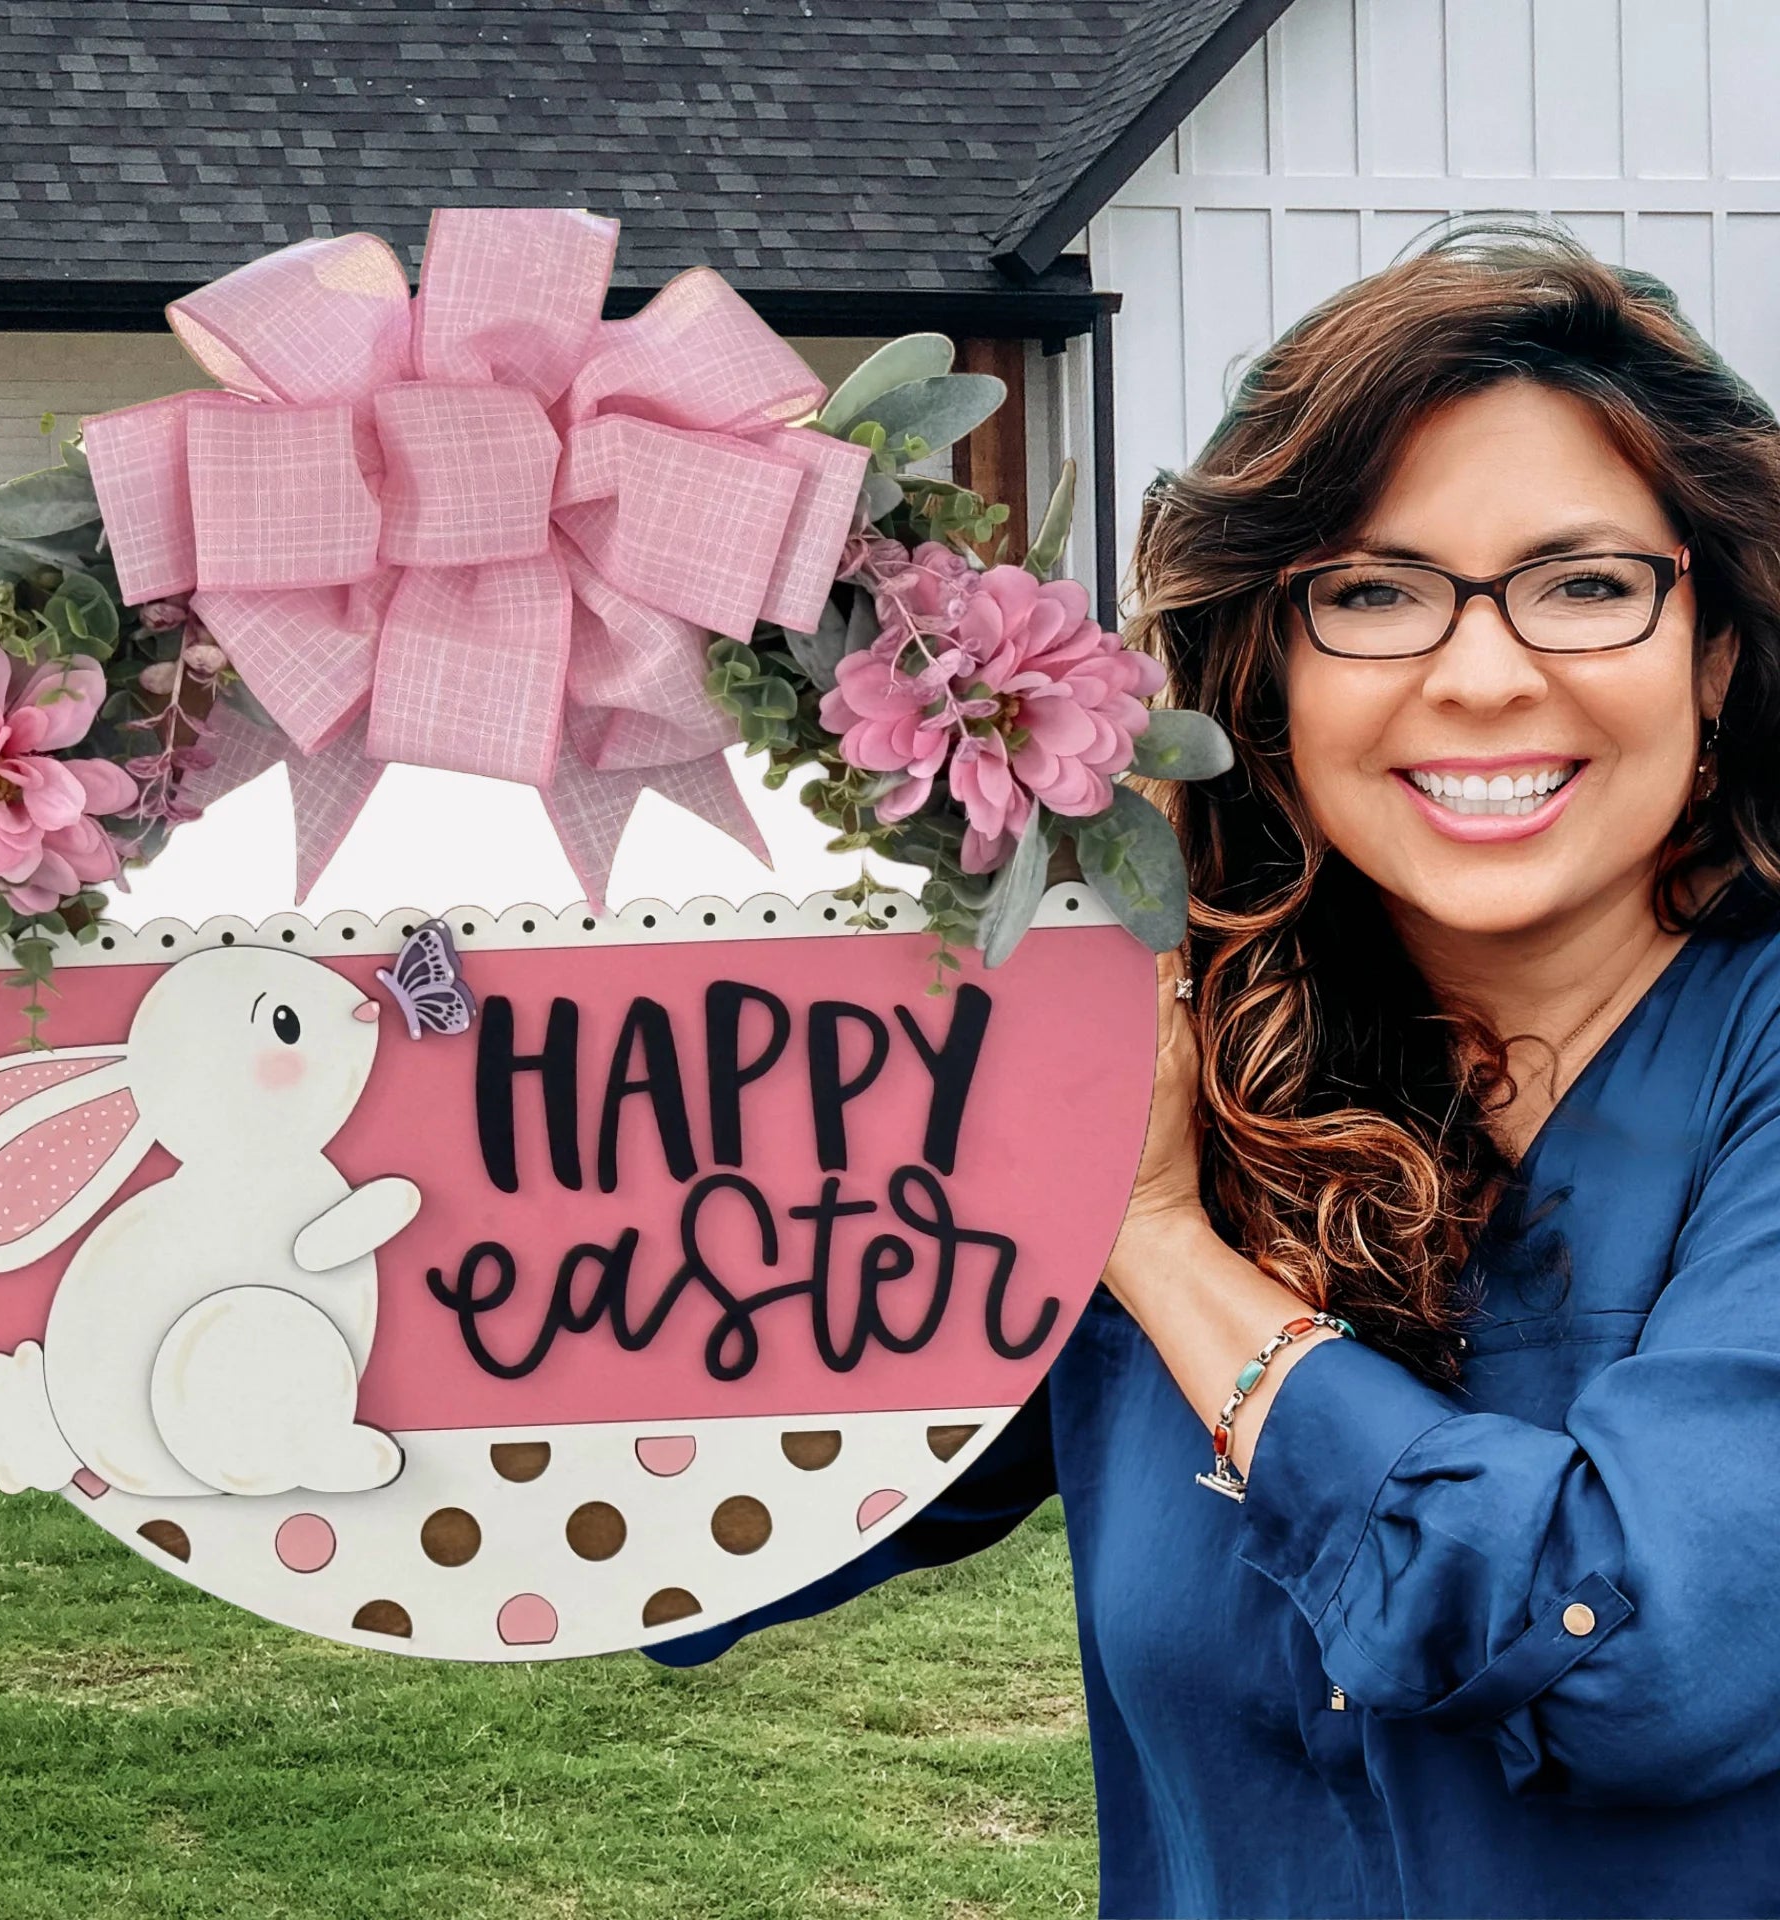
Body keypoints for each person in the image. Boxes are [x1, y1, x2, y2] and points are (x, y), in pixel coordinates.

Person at [653, 221, 1780, 1918]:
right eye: (1376, 592)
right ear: (1268, 668)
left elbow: (1644, 1661)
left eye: (1586, 583)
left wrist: (1166, 1248)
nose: (1482, 674)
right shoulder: (1186, 1048)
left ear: (1712, 653)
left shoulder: (1741, 1068)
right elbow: (736, 1496)